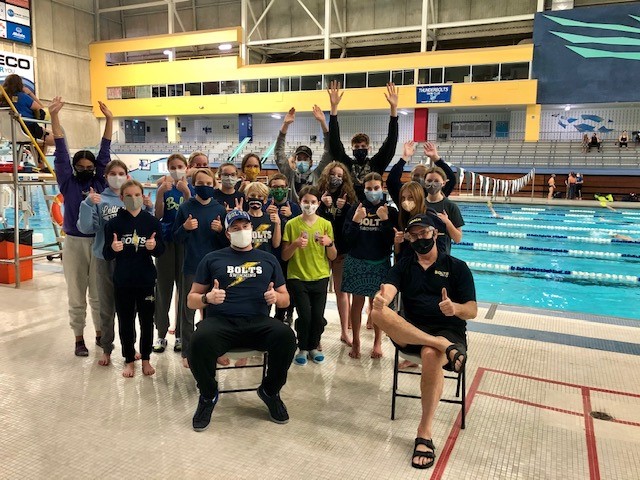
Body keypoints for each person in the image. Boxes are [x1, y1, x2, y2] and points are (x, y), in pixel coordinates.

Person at [371, 213, 477, 470]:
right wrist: (382, 298)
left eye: (424, 233)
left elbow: (472, 310)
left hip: (449, 331)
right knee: (376, 312)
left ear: (436, 234)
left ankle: (424, 432)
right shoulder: (404, 265)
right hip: (411, 331)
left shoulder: (457, 267)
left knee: (431, 354)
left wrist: (455, 309)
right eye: (414, 235)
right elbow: (388, 290)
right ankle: (441, 345)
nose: (420, 239)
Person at [187, 209, 296, 432]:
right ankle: (208, 395)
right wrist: (207, 298)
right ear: (227, 233)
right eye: (235, 228)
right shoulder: (212, 259)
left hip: (258, 322)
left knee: (286, 337)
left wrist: (276, 297)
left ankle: (270, 390)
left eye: (245, 227)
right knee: (198, 341)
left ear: (252, 229)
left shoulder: (268, 259)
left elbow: (285, 300)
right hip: (222, 323)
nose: (241, 231)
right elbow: (191, 300)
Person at [51, 96, 114, 356]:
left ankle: (100, 334)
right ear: (75, 168)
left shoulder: (100, 182)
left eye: (90, 166)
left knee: (98, 295)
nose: (86, 169)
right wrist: (54, 117)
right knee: (76, 294)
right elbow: (61, 151)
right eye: (81, 166)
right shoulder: (68, 182)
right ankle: (79, 338)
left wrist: (110, 119)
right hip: (74, 243)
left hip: (97, 242)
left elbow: (105, 151)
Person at [77, 159, 153, 366]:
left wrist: (150, 208)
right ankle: (107, 348)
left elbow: (147, 228)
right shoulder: (98, 199)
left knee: (131, 309)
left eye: (121, 173)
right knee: (107, 306)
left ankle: (131, 347)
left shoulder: (134, 197)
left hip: (131, 260)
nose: (117, 177)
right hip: (105, 259)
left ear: (127, 176)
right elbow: (85, 228)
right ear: (106, 176)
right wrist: (87, 204)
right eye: (113, 173)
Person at [103, 179, 165, 378]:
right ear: (121, 198)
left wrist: (153, 247)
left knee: (147, 321)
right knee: (126, 321)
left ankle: (146, 358)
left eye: (137, 195)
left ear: (143, 196)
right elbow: (106, 254)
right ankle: (129, 359)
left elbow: (161, 251)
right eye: (128, 195)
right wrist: (112, 248)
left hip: (146, 279)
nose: (133, 198)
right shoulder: (114, 223)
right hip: (123, 281)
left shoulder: (152, 222)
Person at [173, 168, 228, 368]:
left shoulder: (219, 209)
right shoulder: (186, 207)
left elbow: (226, 243)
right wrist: (185, 229)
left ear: (214, 185)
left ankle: (215, 350)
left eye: (208, 184)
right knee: (189, 311)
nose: (204, 187)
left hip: (214, 269)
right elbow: (176, 237)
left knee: (214, 313)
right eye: (200, 183)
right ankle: (187, 351)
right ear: (193, 184)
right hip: (192, 266)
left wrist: (221, 231)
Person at [342, 173, 398, 359]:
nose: (373, 192)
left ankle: (377, 342)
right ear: (364, 190)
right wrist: (357, 221)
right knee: (357, 303)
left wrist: (385, 221)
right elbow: (347, 239)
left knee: (377, 305)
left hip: (379, 261)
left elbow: (391, 241)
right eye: (369, 189)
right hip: (357, 261)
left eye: (376, 188)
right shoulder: (355, 209)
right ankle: (356, 341)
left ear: (382, 188)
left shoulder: (390, 211)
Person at [282, 186, 337, 365]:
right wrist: (295, 244)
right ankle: (303, 347)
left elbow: (333, 256)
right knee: (305, 315)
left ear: (318, 203)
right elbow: (284, 256)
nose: (309, 205)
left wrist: (329, 244)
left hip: (320, 276)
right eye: (306, 201)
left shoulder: (325, 225)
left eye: (313, 202)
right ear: (300, 202)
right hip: (297, 277)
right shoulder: (291, 224)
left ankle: (313, 346)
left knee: (317, 316)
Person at [327, 80, 399, 199]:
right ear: (352, 149)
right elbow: (335, 142)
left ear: (368, 148)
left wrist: (394, 109)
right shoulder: (346, 165)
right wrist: (334, 108)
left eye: (363, 147)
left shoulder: (376, 164)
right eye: (357, 147)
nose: (360, 149)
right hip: (349, 207)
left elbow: (391, 142)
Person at [153, 153, 193, 353]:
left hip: (185, 242)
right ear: (168, 168)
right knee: (163, 288)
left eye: (180, 166)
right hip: (167, 240)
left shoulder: (191, 189)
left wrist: (186, 193)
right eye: (173, 166)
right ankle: (161, 334)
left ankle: (179, 334)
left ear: (186, 167)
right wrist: (160, 194)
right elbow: (158, 215)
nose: (177, 169)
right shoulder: (165, 188)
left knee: (184, 288)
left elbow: (193, 213)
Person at [316, 161, 357, 345]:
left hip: (340, 251)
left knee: (342, 292)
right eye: (334, 174)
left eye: (340, 176)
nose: (337, 178)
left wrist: (345, 208)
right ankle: (315, 333)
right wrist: (322, 206)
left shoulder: (348, 197)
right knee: (319, 293)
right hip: (320, 251)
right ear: (327, 175)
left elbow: (351, 225)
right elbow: (312, 219)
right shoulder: (319, 194)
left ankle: (344, 331)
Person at [274, 106, 332, 202]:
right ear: (295, 161)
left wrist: (323, 123)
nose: (301, 161)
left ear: (311, 162)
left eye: (305, 159)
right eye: (299, 158)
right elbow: (278, 153)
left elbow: (328, 152)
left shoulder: (317, 175)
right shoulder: (289, 174)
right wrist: (285, 125)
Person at [266, 173, 301, 324]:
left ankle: (286, 314)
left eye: (281, 187)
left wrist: (292, 217)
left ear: (287, 188)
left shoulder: (294, 207)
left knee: (287, 287)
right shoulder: (265, 206)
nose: (278, 190)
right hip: (269, 254)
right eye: (275, 187)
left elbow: (302, 229)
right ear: (270, 188)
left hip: (288, 255)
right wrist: (265, 216)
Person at [387, 142, 456, 207]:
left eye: (423, 175)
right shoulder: (404, 192)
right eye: (416, 175)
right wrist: (404, 158)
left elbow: (451, 179)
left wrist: (436, 158)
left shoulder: (434, 193)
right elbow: (391, 181)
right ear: (411, 177)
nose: (419, 178)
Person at [1, 74, 54, 147]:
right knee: (58, 138)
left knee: (44, 133)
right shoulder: (22, 97)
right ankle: (39, 156)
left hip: (9, 133)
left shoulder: (2, 99)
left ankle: (36, 154)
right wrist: (30, 93)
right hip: (27, 129)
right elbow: (42, 109)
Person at [423, 166, 464, 253]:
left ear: (443, 183)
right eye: (429, 181)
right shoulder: (420, 204)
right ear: (424, 182)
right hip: (422, 256)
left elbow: (457, 239)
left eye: (436, 181)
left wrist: (447, 222)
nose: (432, 184)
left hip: (442, 258)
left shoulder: (451, 206)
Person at [244, 181, 281, 254]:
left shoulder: (271, 218)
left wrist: (277, 224)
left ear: (265, 200)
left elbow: (276, 244)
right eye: (252, 196)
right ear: (246, 197)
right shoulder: (243, 218)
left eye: (260, 196)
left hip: (266, 259)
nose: (256, 199)